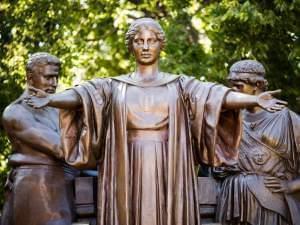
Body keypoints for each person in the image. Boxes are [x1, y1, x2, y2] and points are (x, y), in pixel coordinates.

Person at [25, 19, 286, 225]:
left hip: (170, 162)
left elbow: (217, 96)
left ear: (162, 44)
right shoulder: (114, 86)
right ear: (131, 46)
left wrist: (252, 101)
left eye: (152, 40)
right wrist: (52, 100)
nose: (146, 46)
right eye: (139, 41)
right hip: (125, 164)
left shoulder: (180, 85)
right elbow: (82, 95)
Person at [216, 60, 300, 225]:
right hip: (233, 200)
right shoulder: (228, 120)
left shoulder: (288, 120)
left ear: (257, 85)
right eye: (231, 86)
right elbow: (214, 166)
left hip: (271, 202)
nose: (233, 92)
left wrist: (291, 187)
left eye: (238, 86)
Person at [1, 52, 78, 225]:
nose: (54, 83)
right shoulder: (16, 113)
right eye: (48, 77)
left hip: (63, 188)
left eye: (56, 77)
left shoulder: (57, 109)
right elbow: (61, 149)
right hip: (36, 188)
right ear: (30, 78)